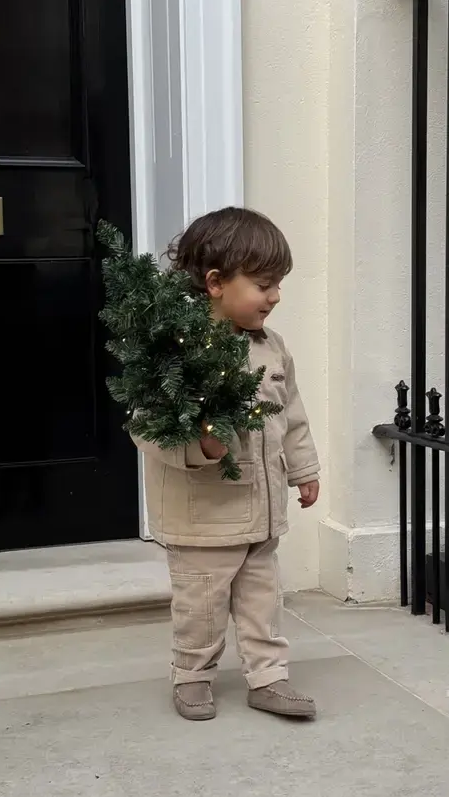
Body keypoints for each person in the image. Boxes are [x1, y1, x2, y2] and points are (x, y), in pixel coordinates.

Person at [131, 206, 321, 721]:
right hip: (203, 519)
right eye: (264, 284)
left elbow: (293, 414)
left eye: (278, 284)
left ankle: (268, 677)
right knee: (202, 606)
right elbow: (148, 426)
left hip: (261, 510)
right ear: (215, 282)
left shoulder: (271, 348)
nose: (275, 296)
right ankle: (192, 674)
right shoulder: (176, 350)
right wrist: (202, 447)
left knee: (263, 601)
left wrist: (303, 469)